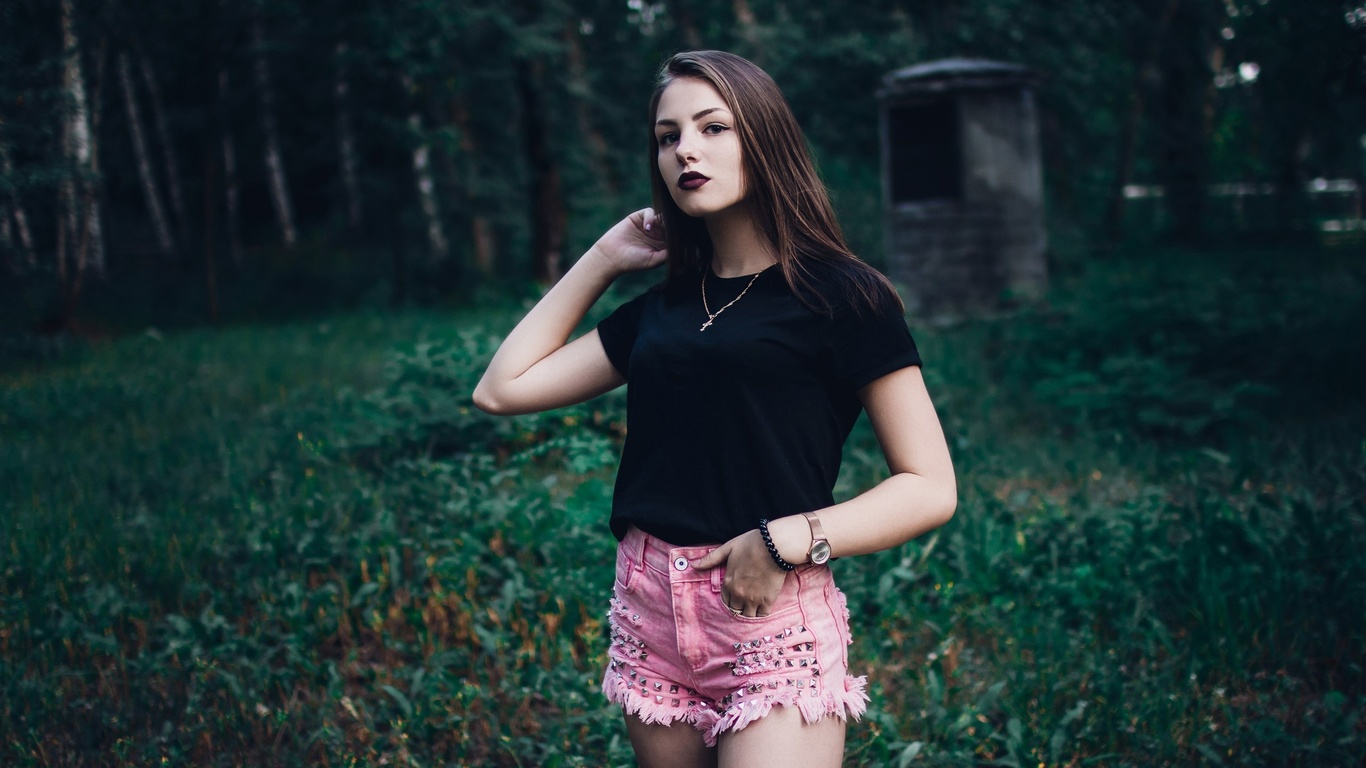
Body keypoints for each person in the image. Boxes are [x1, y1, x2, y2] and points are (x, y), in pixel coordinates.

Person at [473, 50, 956, 768]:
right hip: (649, 611)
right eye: (667, 137)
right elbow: (502, 388)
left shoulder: (843, 296)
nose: (685, 151)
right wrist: (604, 256)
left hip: (768, 614)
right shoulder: (665, 308)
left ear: (763, 138)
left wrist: (784, 540)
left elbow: (929, 486)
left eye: (712, 128)